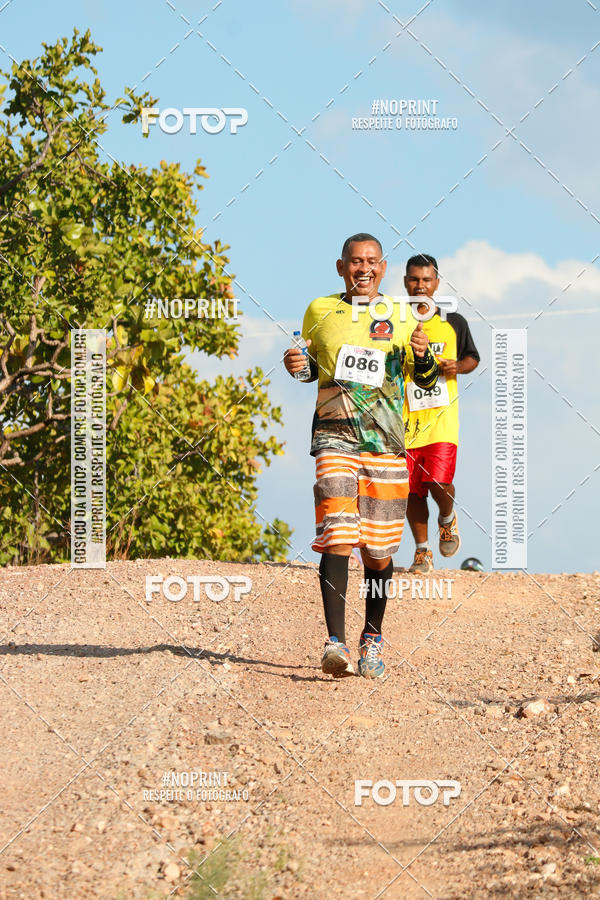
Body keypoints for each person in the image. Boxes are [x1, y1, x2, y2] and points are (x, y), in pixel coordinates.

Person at [283, 234, 438, 679]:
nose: (363, 268)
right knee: (337, 533)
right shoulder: (319, 310)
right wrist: (298, 367)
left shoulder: (404, 315)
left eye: (372, 261)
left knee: (377, 550)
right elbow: (312, 367)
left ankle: (372, 637)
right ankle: (335, 642)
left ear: (383, 268)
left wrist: (423, 357)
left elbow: (425, 381)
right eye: (355, 261)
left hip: (386, 443)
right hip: (333, 437)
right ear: (341, 267)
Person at [402, 254, 480, 574]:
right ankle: (422, 551)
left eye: (426, 279)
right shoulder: (394, 321)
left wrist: (456, 367)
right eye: (414, 279)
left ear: (436, 283)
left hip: (440, 420)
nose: (420, 286)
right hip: (404, 420)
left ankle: (447, 519)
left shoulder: (453, 322)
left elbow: (473, 358)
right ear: (405, 282)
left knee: (438, 480)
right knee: (410, 490)